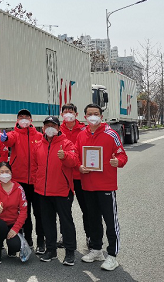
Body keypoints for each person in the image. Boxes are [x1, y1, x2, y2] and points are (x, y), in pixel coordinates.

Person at [76, 103, 128, 271]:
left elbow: (122, 155)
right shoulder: (81, 135)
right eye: (90, 114)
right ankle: (97, 250)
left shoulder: (111, 134)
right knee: (93, 219)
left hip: (106, 185)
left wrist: (118, 161)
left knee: (110, 221)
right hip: (88, 185)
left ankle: (112, 255)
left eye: (96, 113)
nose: (93, 116)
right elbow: (76, 155)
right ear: (85, 117)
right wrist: (79, 166)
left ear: (101, 116)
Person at [31, 116, 79, 266]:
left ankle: (70, 252)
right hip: (43, 192)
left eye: (53, 125)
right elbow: (34, 167)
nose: (50, 128)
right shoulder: (39, 145)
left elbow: (74, 161)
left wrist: (65, 156)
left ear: (58, 128)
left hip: (62, 190)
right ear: (43, 128)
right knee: (47, 222)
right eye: (47, 125)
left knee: (66, 222)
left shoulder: (67, 143)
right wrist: (37, 183)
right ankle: (50, 250)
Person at [1, 108, 44, 252]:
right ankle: (28, 239)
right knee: (24, 213)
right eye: (21, 117)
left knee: (39, 213)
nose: (24, 119)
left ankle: (41, 241)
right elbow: (8, 140)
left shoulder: (39, 136)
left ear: (31, 120)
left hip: (36, 181)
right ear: (17, 120)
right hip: (20, 181)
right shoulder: (15, 134)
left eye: (26, 117)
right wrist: (5, 138)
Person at [59, 103, 89, 248]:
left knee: (87, 209)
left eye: (70, 111)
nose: (68, 114)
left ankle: (90, 236)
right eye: (65, 112)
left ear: (76, 114)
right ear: (61, 115)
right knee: (64, 210)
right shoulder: (57, 130)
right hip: (64, 177)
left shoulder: (84, 130)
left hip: (81, 175)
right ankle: (65, 236)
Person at [0, 161, 27, 264]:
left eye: (7, 171)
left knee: (16, 246)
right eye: (1, 172)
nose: (4, 174)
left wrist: (15, 229)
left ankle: (11, 248)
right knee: (0, 226)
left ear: (11, 173)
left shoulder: (19, 188)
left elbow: (23, 211)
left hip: (13, 222)